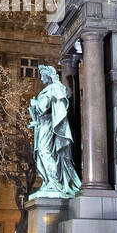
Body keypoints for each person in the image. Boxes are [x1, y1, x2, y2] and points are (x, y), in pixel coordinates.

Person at [28, 65, 81, 197]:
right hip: (42, 124)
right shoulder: (51, 88)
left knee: (45, 151)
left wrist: (35, 104)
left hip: (48, 124)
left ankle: (54, 182)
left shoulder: (54, 88)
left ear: (48, 75)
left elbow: (43, 107)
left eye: (43, 75)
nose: (41, 78)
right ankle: (49, 181)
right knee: (41, 152)